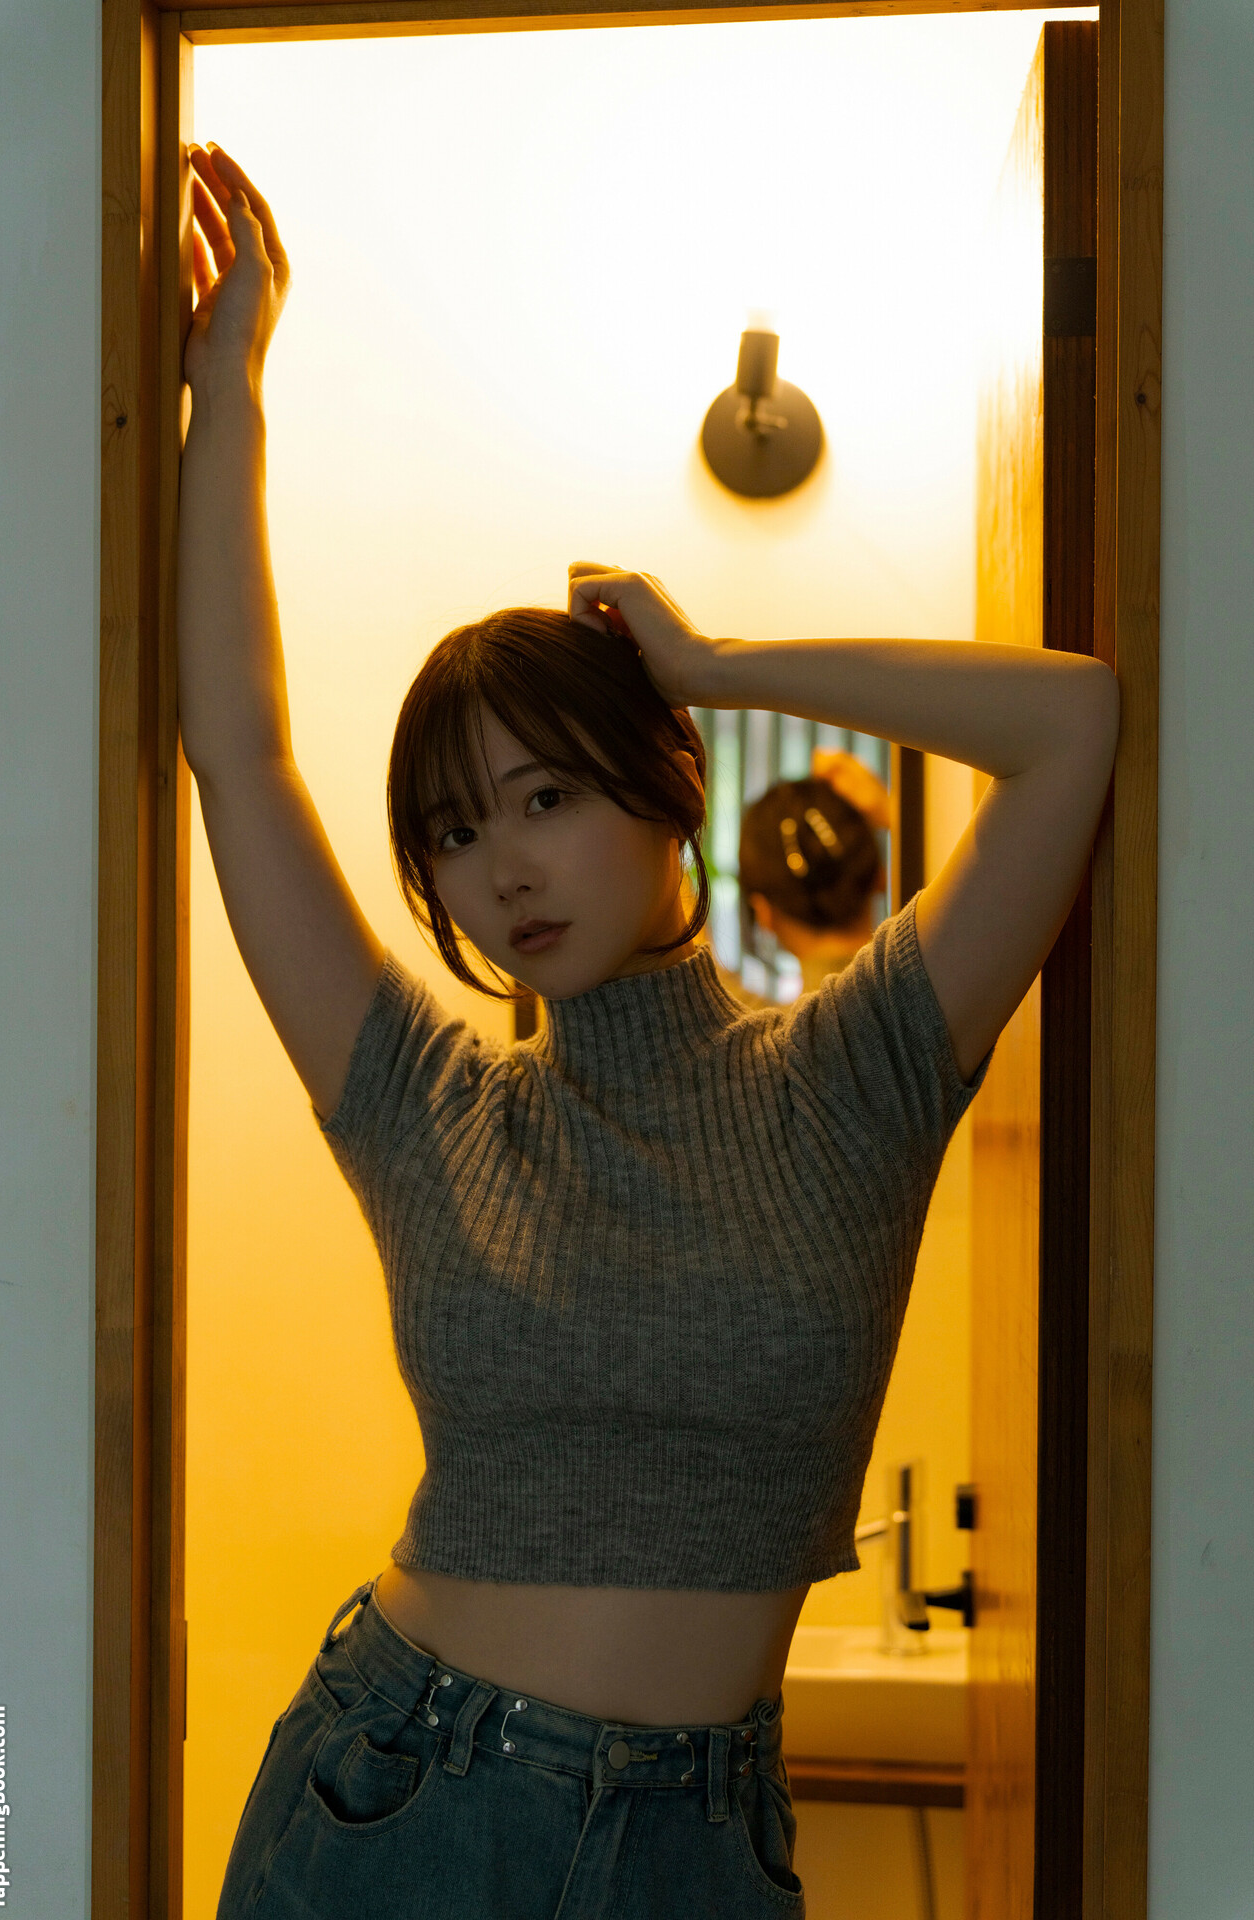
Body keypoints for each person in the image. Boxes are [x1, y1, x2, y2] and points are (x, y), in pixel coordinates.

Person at [181, 143, 1119, 1920]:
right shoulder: (428, 1102)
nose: (502, 868)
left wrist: (716, 667)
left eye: (545, 795)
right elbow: (238, 751)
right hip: (404, 1799)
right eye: (453, 833)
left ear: (665, 787)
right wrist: (231, 394)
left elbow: (1072, 727)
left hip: (703, 1842)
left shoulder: (857, 1074)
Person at [722, 749, 891, 1006]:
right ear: (880, 877)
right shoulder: (942, 997)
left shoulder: (759, 1029)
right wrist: (892, 811)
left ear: (763, 913)